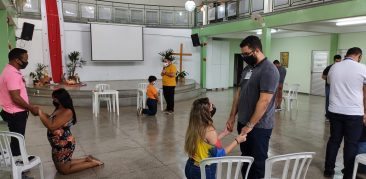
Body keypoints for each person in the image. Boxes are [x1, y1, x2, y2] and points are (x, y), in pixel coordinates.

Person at [226, 35, 279, 179]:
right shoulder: (248, 69)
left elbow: (264, 102)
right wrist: (232, 116)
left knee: (257, 162)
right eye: (242, 54)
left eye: (246, 54)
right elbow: (239, 93)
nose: (244, 57)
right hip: (243, 122)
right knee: (246, 158)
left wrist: (250, 125)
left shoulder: (269, 70)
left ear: (256, 50)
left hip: (259, 127)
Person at [38, 88, 103, 175]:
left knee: (65, 170)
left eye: (55, 98)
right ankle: (86, 159)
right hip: (57, 144)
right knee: (61, 167)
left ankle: (93, 163)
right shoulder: (59, 108)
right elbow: (51, 119)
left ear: (61, 99)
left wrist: (40, 113)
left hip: (64, 144)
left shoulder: (67, 111)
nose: (53, 100)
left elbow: (52, 126)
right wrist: (42, 113)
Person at [324, 47, 366, 179]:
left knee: (334, 141)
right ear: (359, 56)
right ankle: (348, 173)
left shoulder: (334, 67)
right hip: (354, 113)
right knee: (351, 144)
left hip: (335, 111)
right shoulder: (362, 68)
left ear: (346, 55)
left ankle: (328, 170)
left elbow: (330, 83)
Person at [184, 97, 247, 179]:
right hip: (203, 170)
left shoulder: (194, 125)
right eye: (211, 106)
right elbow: (219, 154)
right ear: (206, 113)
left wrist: (224, 134)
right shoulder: (209, 130)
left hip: (190, 166)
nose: (213, 106)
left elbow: (206, 143)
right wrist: (237, 140)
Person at [0, 48, 39, 157]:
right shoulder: (12, 74)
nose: (27, 62)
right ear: (17, 60)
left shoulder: (9, 70)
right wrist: (31, 108)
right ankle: (18, 166)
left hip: (12, 111)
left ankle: (20, 159)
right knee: (17, 139)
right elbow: (16, 98)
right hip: (15, 113)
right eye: (25, 59)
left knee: (17, 138)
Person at [322, 55, 342, 120]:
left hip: (338, 87)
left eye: (339, 61)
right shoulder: (329, 67)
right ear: (334, 60)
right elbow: (323, 76)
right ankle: (327, 115)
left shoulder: (342, 68)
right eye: (336, 61)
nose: (338, 63)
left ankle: (335, 114)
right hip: (329, 86)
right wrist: (330, 78)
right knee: (328, 99)